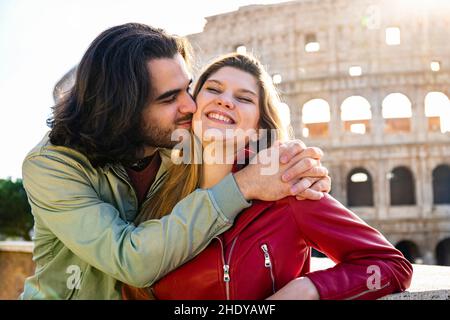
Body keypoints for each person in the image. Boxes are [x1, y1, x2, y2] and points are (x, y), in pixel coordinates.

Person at [20, 23, 331, 299]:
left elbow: (249, 138)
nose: (190, 104)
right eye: (169, 98)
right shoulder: (51, 165)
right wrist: (244, 185)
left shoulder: (180, 137)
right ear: (122, 110)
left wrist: (299, 168)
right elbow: (131, 260)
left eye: (188, 87)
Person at [122, 53, 413, 300]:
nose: (225, 101)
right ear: (192, 107)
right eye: (213, 89)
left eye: (243, 98)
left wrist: (309, 288)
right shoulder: (154, 191)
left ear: (259, 127)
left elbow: (391, 265)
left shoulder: (289, 191)